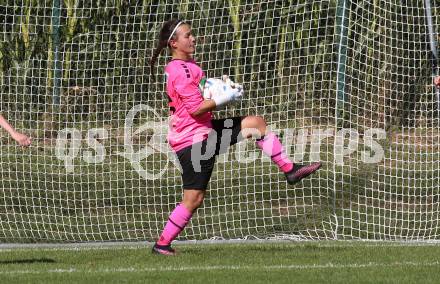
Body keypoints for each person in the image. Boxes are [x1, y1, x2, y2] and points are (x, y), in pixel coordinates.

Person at [149, 19, 321, 255]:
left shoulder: (186, 67)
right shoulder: (181, 69)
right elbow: (195, 109)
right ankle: (162, 244)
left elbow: (199, 96)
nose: (193, 38)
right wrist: (224, 98)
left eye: (192, 34)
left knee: (256, 124)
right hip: (194, 142)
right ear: (174, 42)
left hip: (204, 132)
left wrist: (218, 87)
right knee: (193, 199)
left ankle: (290, 170)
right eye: (187, 35)